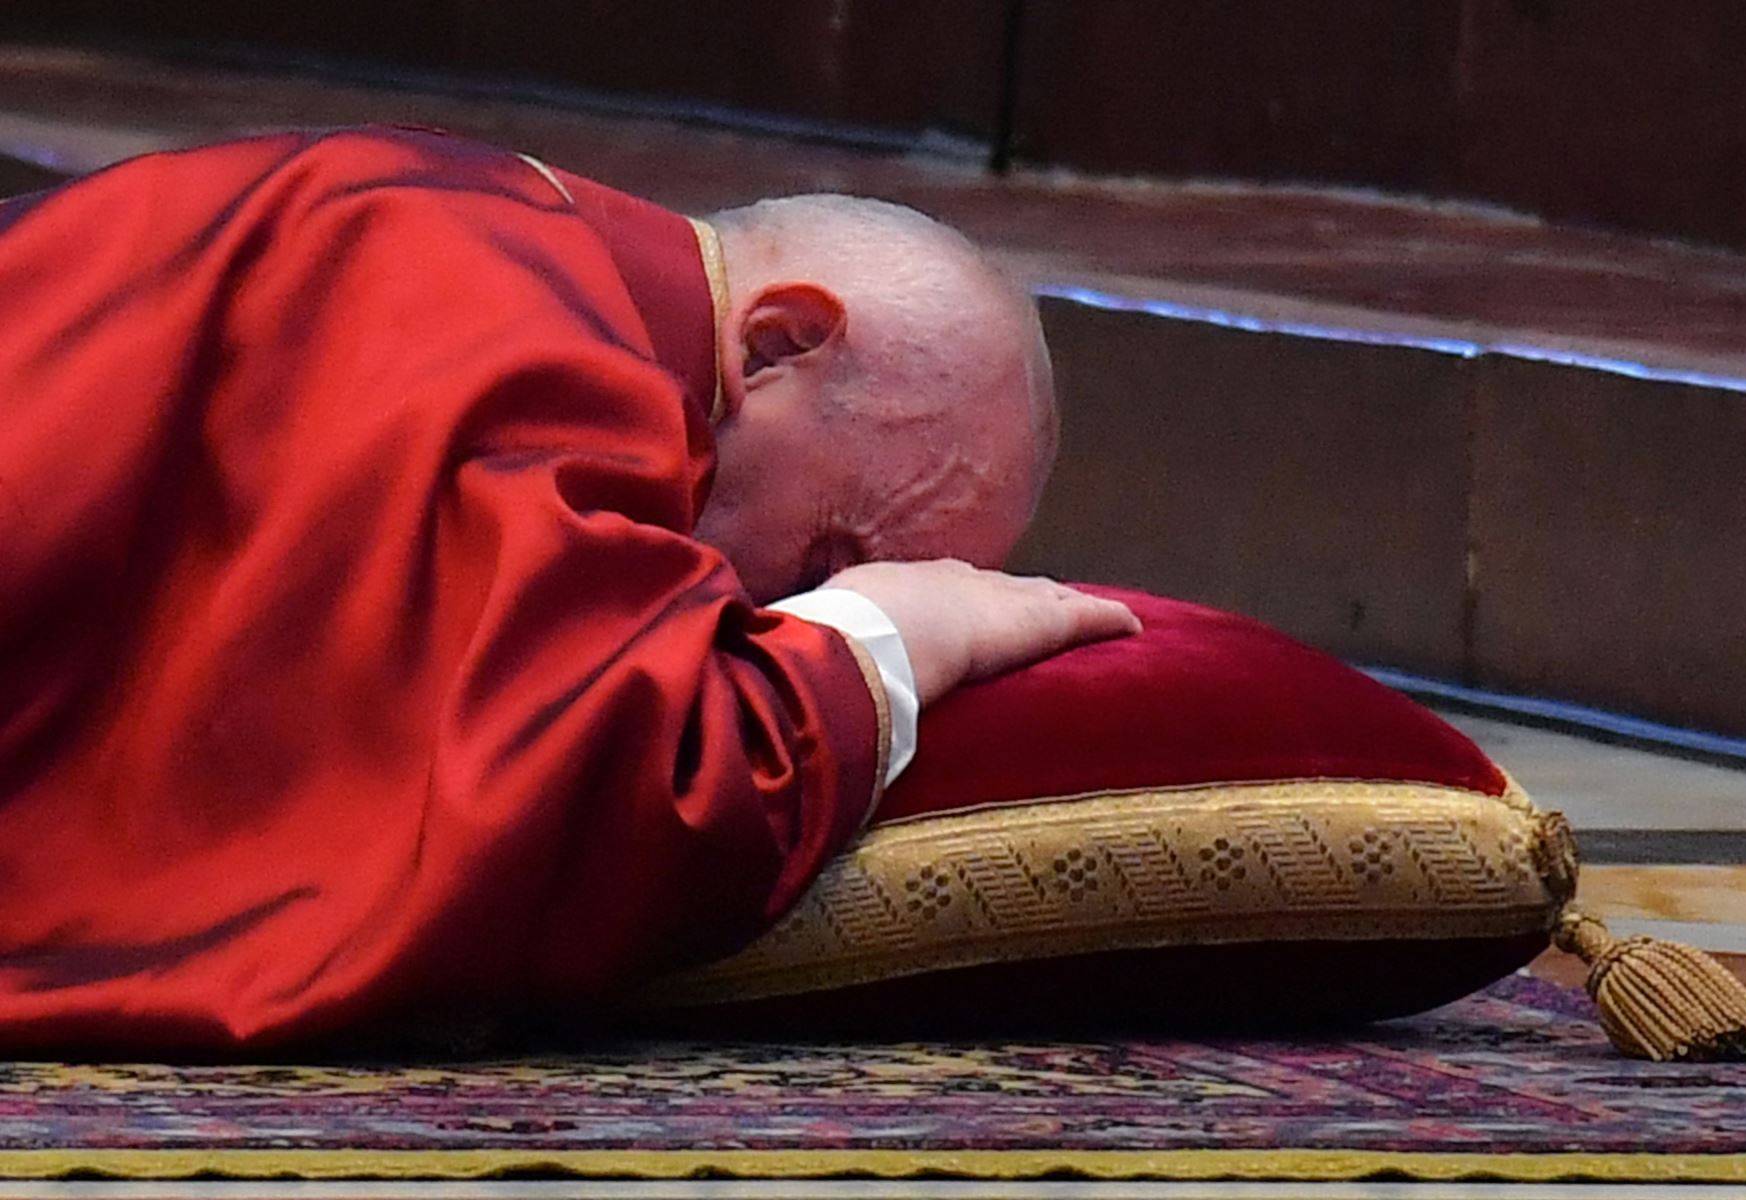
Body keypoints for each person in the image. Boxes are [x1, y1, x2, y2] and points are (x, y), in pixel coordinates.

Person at [0, 126, 1138, 1051]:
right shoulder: (530, 338)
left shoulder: (480, 242)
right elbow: (573, 787)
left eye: (857, 580)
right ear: (781, 341)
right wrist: (889, 634)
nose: (785, 610)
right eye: (835, 557)